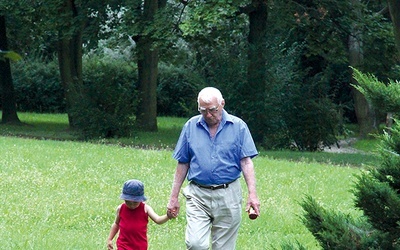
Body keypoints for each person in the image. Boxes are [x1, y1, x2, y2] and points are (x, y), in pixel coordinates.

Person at [167, 87, 260, 250]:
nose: (208, 115)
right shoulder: (190, 126)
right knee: (196, 244)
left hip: (228, 194)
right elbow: (183, 163)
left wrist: (252, 195)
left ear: (222, 104)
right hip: (198, 194)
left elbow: (246, 162)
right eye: (203, 111)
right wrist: (173, 197)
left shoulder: (238, 127)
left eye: (212, 110)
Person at [107, 179, 173, 250]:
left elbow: (158, 220)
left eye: (135, 202)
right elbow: (116, 224)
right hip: (123, 245)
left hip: (140, 246)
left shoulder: (146, 209)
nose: (131, 205)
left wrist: (167, 216)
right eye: (128, 202)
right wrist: (110, 239)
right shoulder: (121, 208)